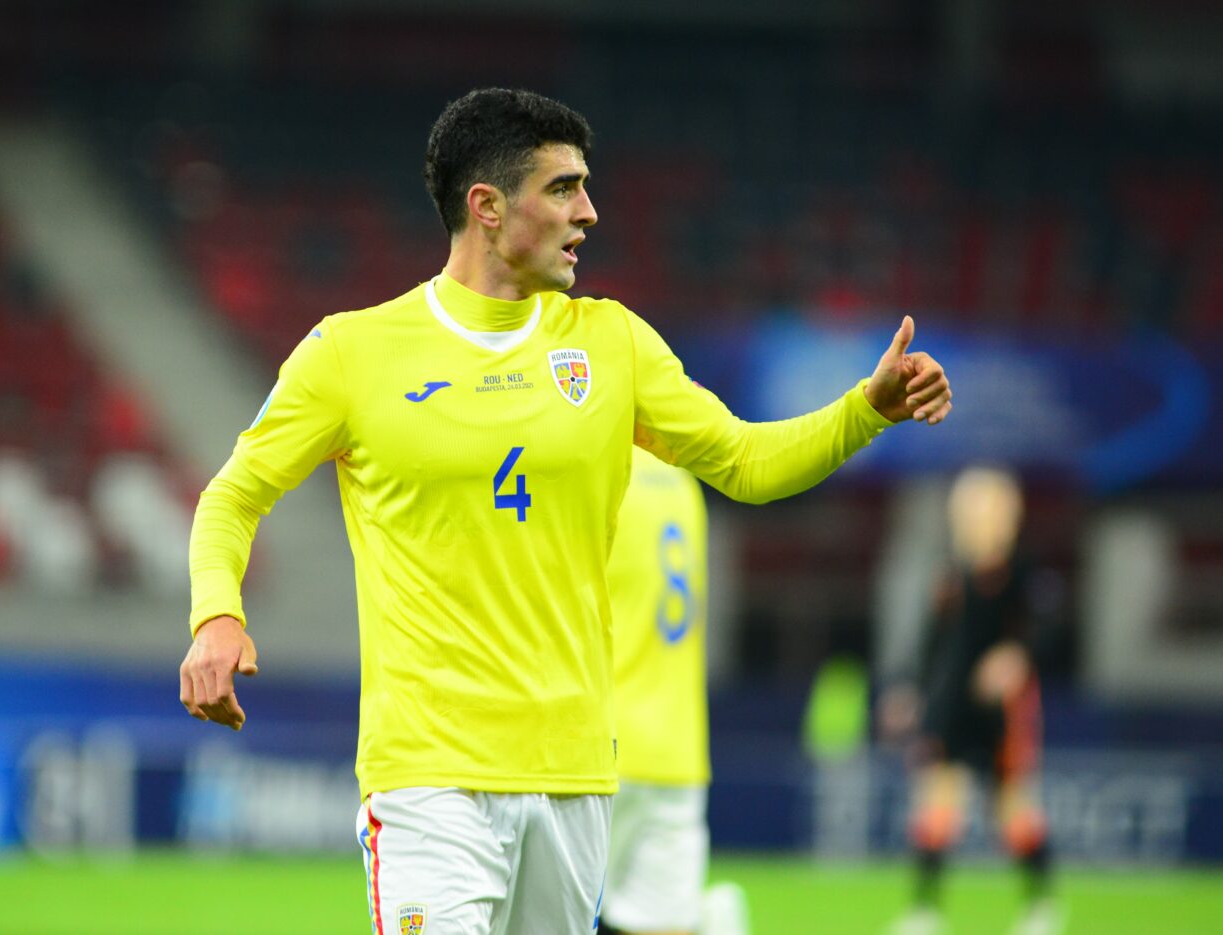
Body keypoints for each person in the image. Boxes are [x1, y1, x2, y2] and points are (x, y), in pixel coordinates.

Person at [179, 87, 953, 935]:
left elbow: (745, 462)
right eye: (562, 188)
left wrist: (866, 411)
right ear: (487, 207)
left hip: (576, 780)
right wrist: (217, 615)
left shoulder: (611, 343)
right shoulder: (351, 353)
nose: (589, 211)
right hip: (429, 779)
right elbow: (233, 495)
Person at [881, 466, 1061, 935]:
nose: (974, 518)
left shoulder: (1023, 572)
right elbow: (933, 642)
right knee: (937, 808)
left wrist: (1015, 656)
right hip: (951, 707)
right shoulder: (952, 573)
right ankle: (924, 912)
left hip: (1003, 710)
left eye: (985, 507)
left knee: (1014, 811)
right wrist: (911, 690)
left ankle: (1041, 907)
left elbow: (1049, 631)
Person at [598, 446, 749, 935]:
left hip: (605, 745)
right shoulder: (681, 481)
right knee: (662, 921)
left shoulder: (601, 469)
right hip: (678, 750)